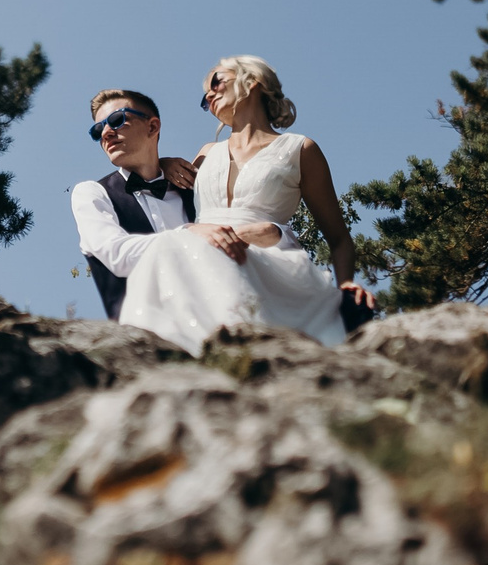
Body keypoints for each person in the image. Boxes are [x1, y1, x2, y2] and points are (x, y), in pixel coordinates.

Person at [117, 55, 376, 353]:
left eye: (216, 82)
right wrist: (164, 161)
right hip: (199, 251)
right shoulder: (206, 152)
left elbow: (340, 238)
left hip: (272, 262)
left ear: (253, 82)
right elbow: (154, 184)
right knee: (163, 250)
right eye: (205, 96)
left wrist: (346, 286)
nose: (209, 95)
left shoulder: (300, 149)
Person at [70, 88, 199, 321]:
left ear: (152, 127)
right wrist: (192, 236)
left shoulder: (193, 189)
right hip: (143, 337)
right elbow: (118, 256)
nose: (106, 133)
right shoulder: (92, 194)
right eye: (97, 131)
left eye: (117, 120)